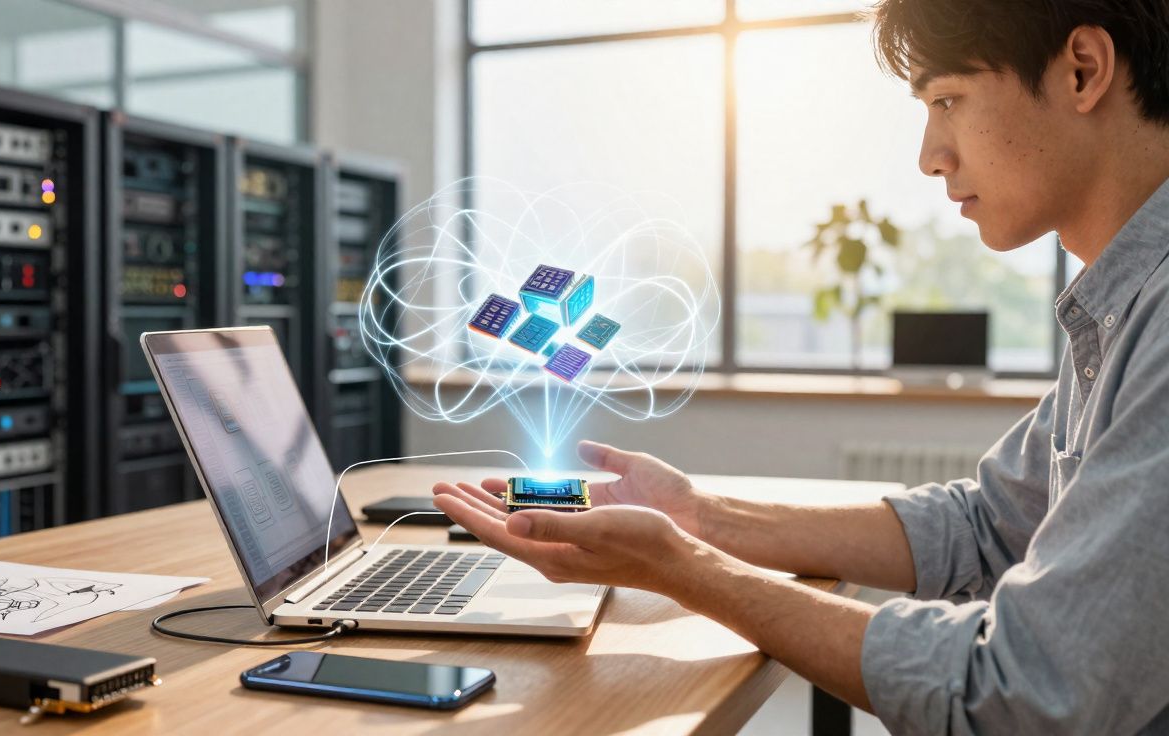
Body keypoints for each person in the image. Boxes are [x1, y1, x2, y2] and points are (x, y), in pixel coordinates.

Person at [433, 1, 1169, 732]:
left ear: (1082, 71)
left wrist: (681, 567)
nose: (929, 155)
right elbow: (987, 526)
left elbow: (1019, 692)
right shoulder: (1121, 306)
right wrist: (697, 517)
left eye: (948, 99)